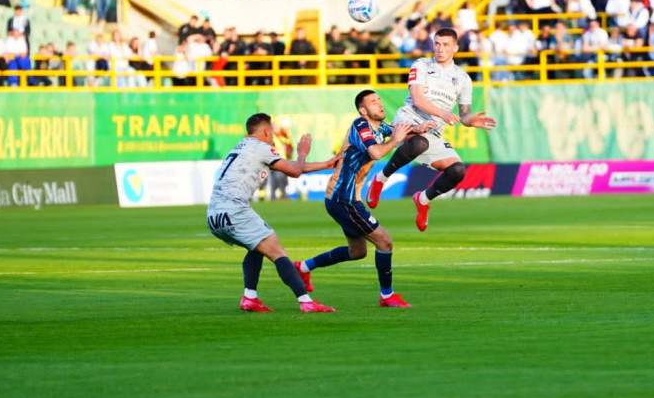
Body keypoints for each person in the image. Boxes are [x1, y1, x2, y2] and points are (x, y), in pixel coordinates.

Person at [296, 90, 433, 308]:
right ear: (363, 110)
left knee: (357, 252)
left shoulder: (381, 128)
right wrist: (396, 140)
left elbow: (397, 132)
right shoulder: (360, 125)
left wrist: (417, 129)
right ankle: (387, 296)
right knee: (385, 242)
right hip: (344, 198)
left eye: (379, 100)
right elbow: (376, 153)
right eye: (373, 102)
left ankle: (302, 268)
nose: (379, 104)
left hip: (345, 198)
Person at [365, 27, 497, 231]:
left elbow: (463, 115)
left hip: (434, 130)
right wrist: (443, 114)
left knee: (457, 171)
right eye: (437, 43)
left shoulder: (463, 79)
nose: (440, 49)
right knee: (418, 143)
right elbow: (417, 100)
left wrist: (470, 120)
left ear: (455, 47)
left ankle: (424, 199)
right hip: (410, 118)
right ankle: (380, 178)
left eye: (445, 45)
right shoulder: (422, 65)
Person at [206, 112, 340, 313]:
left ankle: (250, 297)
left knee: (256, 247)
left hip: (213, 215)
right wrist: (302, 152)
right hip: (235, 209)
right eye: (272, 133)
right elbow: (295, 170)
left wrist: (327, 164)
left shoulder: (241, 146)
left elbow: (291, 168)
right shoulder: (262, 148)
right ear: (266, 131)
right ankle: (306, 302)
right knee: (278, 252)